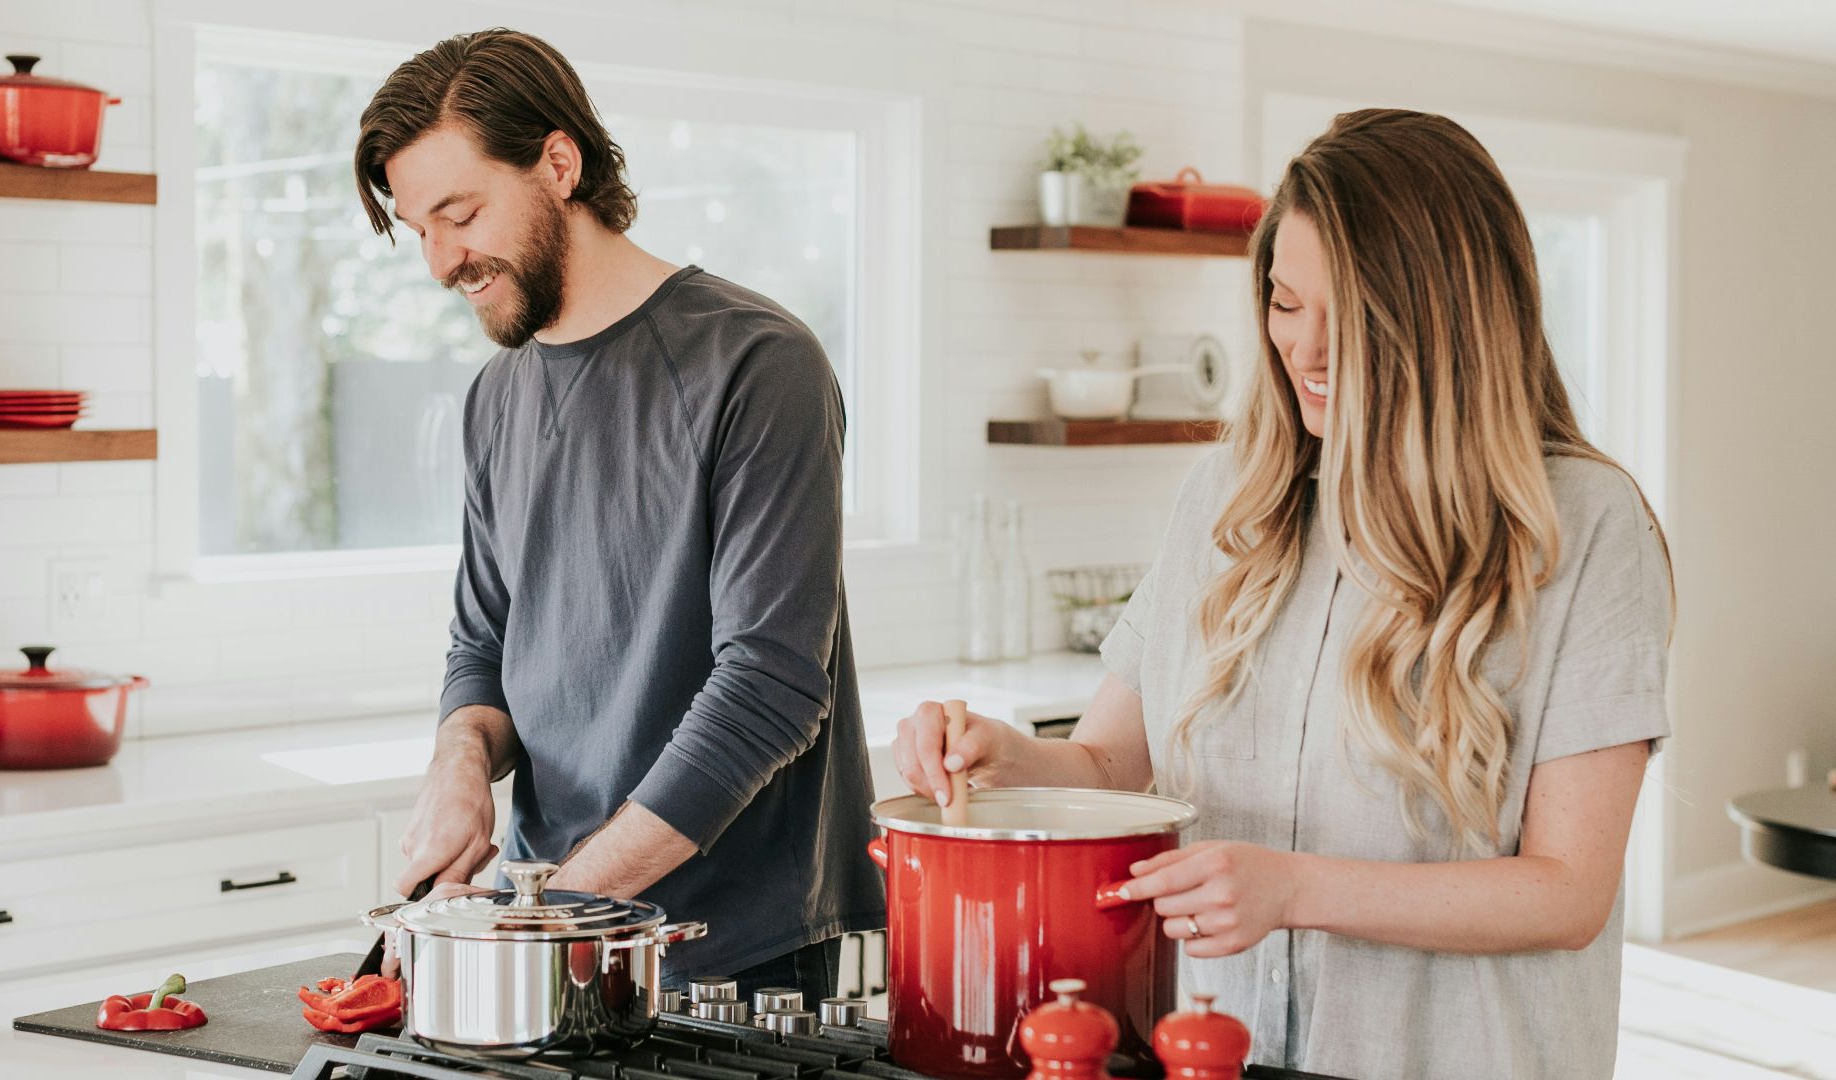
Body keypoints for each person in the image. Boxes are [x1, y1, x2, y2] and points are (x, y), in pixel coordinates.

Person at [893, 109, 1672, 1080]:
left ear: (1449, 318)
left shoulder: (1585, 527)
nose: (1305, 349)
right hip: (1221, 1053)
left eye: (1350, 314)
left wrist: (1295, 889)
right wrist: (1002, 759)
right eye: (1285, 302)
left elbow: (1567, 893)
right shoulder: (1227, 499)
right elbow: (1112, 761)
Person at [354, 28, 884, 1003]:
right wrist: (459, 762)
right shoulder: (497, 395)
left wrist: (550, 915)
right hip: (544, 930)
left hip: (734, 951)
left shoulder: (758, 363)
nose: (439, 263)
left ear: (559, 163)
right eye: (417, 228)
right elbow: (485, 643)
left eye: (459, 214)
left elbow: (771, 688)